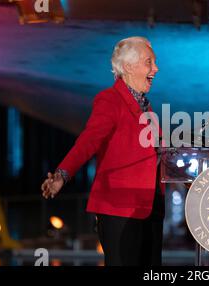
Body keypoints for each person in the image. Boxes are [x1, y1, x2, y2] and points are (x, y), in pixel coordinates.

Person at [41, 36, 164, 266]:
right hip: (121, 208)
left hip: (150, 208)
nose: (156, 68)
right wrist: (62, 175)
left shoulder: (146, 106)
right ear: (128, 67)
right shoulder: (110, 100)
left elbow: (156, 154)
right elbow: (89, 141)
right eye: (149, 62)